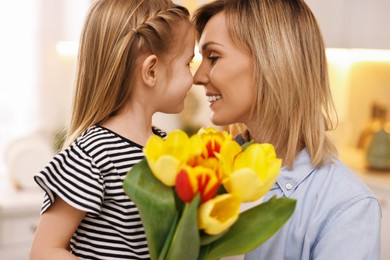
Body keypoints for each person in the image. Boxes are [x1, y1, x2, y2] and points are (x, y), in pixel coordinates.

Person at [192, 0, 381, 259]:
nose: (198, 76)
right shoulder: (210, 175)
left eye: (213, 57)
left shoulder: (346, 207)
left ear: (271, 59)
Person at [30, 0, 195, 259]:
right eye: (188, 63)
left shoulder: (166, 148)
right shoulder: (94, 152)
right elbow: (44, 251)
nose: (194, 77)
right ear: (151, 71)